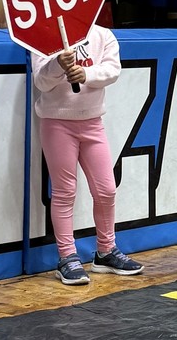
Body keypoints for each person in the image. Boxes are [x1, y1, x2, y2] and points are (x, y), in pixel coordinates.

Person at [32, 24, 144, 284]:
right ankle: (67, 257)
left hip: (93, 123)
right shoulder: (43, 36)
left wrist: (85, 73)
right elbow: (41, 81)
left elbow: (112, 70)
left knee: (106, 190)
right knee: (65, 191)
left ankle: (106, 251)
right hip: (57, 123)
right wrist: (58, 64)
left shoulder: (103, 34)